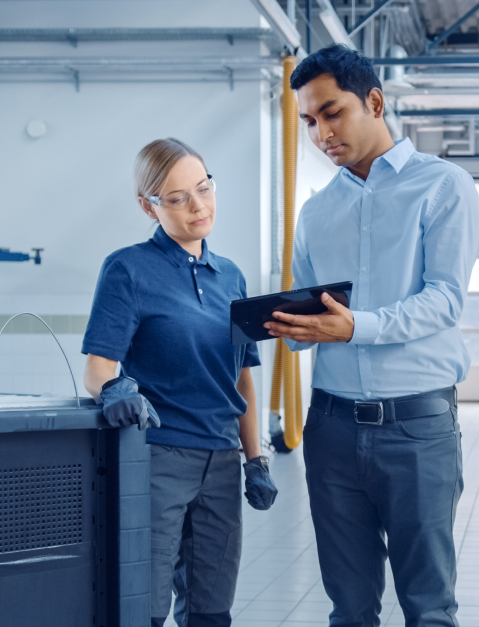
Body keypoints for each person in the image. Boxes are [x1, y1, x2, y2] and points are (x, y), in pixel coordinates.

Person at [264, 45, 479, 626]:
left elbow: (443, 300)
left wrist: (353, 327)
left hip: (416, 428)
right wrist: (288, 327)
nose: (320, 133)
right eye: (309, 121)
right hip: (331, 431)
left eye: (332, 113)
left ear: (375, 101)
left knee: (428, 606)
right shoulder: (315, 211)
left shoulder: (444, 186)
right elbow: (313, 315)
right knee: (349, 607)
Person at [81, 138, 278, 627]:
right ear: (147, 205)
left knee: (211, 609)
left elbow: (243, 379)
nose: (198, 206)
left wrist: (255, 459)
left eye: (204, 188)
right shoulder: (128, 269)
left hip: (221, 462)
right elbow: (97, 369)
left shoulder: (230, 276)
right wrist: (116, 390)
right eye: (177, 198)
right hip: (159, 457)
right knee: (144, 607)